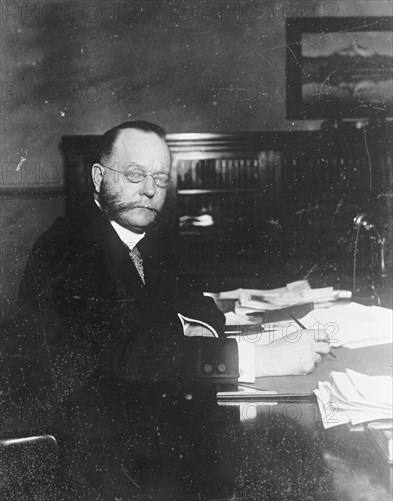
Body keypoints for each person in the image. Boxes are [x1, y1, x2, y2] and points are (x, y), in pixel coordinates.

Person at [12, 121, 330, 402]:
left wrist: (264, 332)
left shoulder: (140, 237)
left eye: (161, 179)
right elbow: (130, 355)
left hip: (131, 409)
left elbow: (181, 303)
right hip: (85, 429)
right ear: (98, 177)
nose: (150, 190)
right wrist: (259, 358)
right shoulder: (70, 244)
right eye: (134, 174)